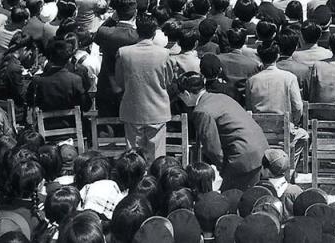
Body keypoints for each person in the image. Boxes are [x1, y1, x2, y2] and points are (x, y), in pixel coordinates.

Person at [177, 71, 269, 190]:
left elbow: (212, 149)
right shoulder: (221, 97)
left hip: (242, 158)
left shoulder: (201, 111)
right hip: (259, 150)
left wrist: (223, 171)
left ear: (186, 94)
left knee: (230, 198)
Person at [113, 15, 175, 162]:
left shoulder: (123, 52)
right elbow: (168, 81)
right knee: (157, 156)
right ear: (154, 33)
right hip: (158, 110)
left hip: (132, 109)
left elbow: (120, 81)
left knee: (133, 157)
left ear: (136, 31)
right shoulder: (164, 54)